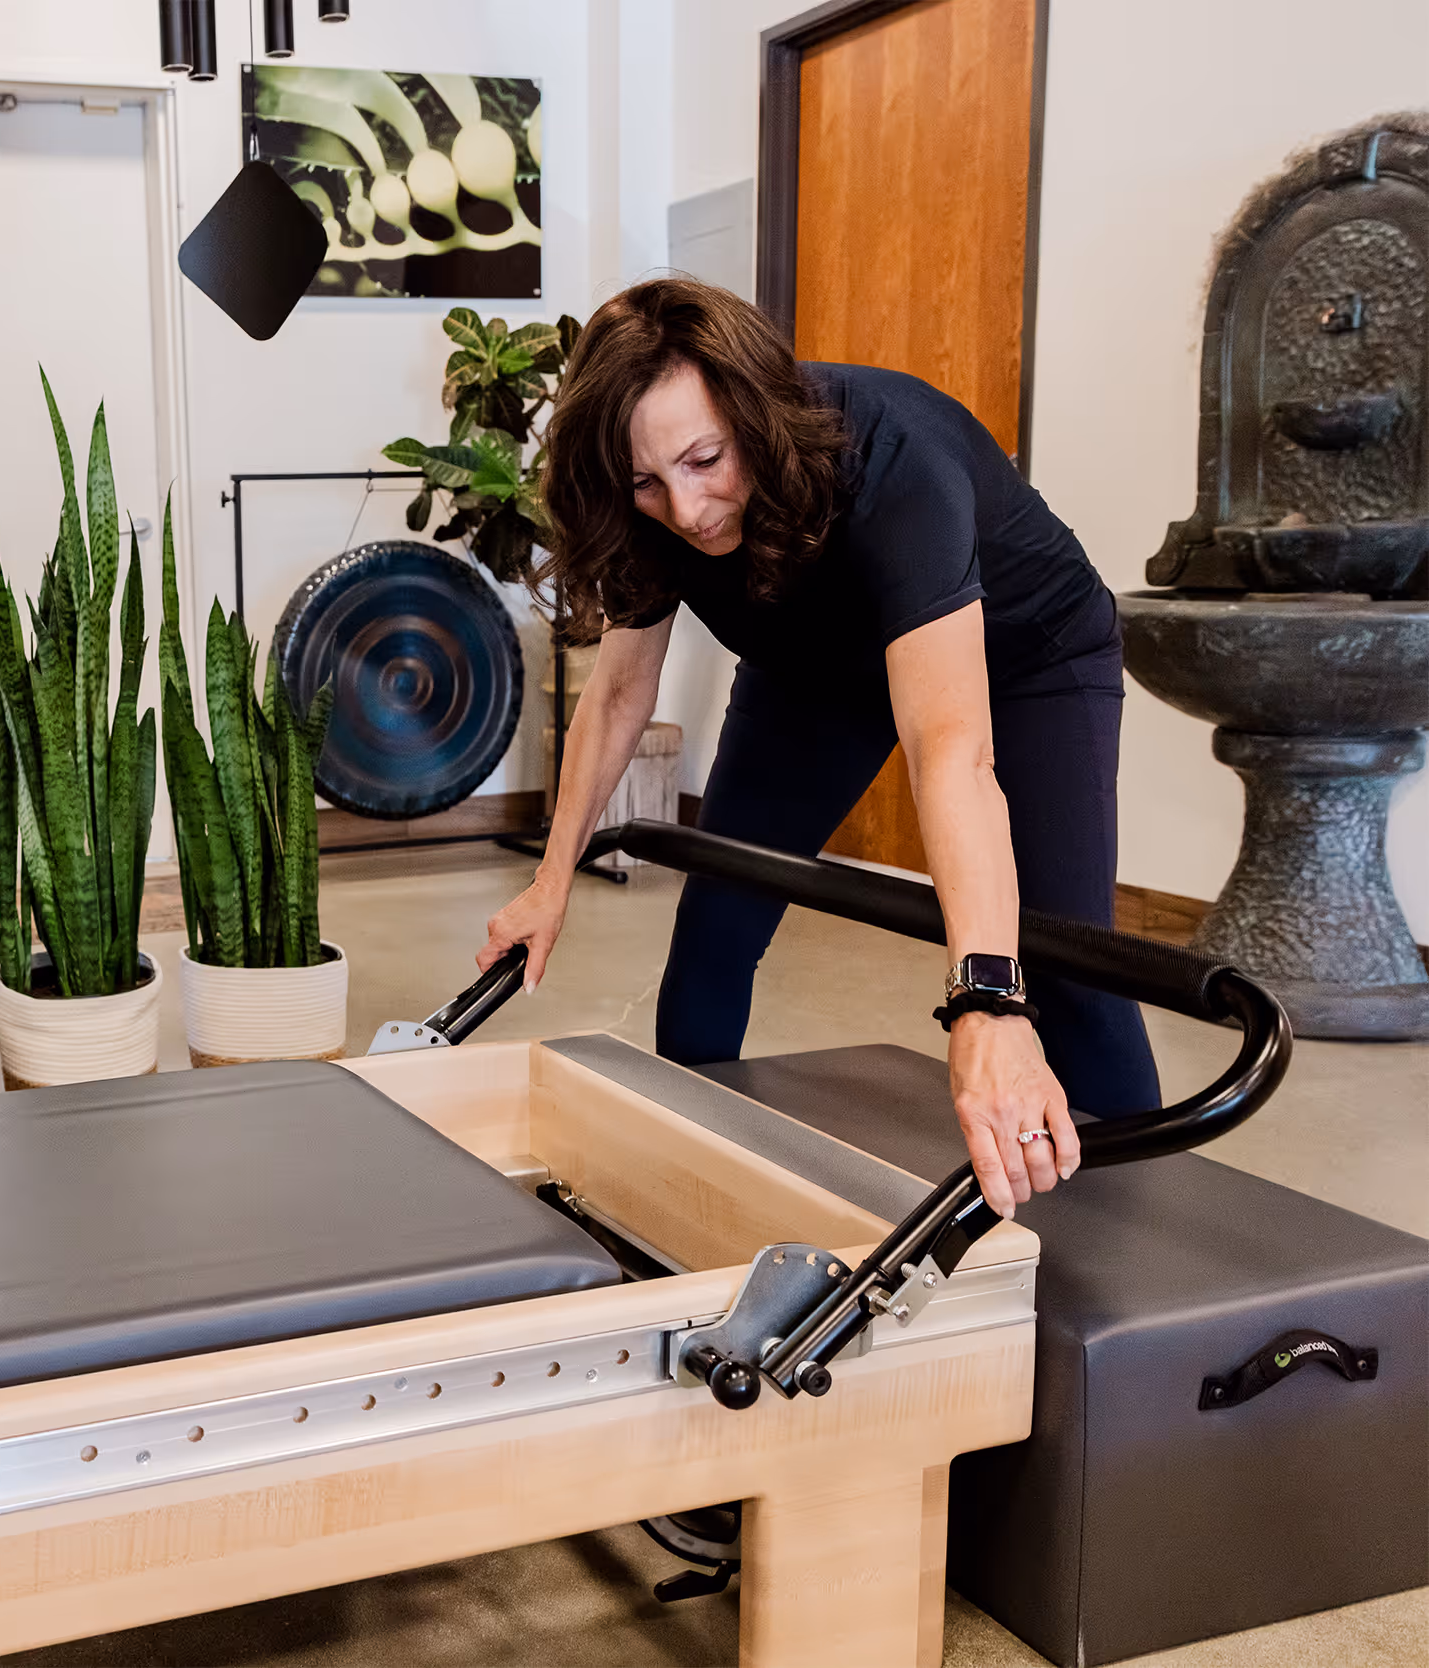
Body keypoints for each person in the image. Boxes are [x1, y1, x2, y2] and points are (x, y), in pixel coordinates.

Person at [480, 277, 1160, 1220]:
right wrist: (551, 880)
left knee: (1066, 964)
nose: (686, 508)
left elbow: (949, 748)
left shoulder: (895, 461)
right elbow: (620, 688)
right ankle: (687, 1198)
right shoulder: (653, 507)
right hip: (815, 663)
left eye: (706, 459)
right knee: (715, 931)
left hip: (1027, 654)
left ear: (754, 416)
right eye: (647, 481)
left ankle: (1148, 1245)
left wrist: (987, 1000)